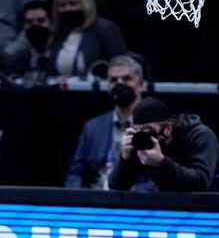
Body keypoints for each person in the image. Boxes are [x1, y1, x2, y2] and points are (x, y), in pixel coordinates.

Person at [110, 97, 219, 192]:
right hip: (181, 204)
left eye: (148, 130)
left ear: (168, 128)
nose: (144, 135)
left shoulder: (200, 135)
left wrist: (161, 162)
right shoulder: (142, 142)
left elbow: (200, 183)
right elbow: (116, 187)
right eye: (137, 130)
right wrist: (125, 158)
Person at [65, 55, 156, 191]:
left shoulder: (154, 125)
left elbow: (159, 180)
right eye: (113, 80)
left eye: (126, 79)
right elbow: (74, 175)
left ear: (141, 84)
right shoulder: (92, 127)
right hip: (95, 199)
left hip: (135, 201)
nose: (119, 84)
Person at [48, 0, 127, 78]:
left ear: (85, 4)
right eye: (62, 5)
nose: (67, 9)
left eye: (73, 4)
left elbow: (122, 67)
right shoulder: (59, 34)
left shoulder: (104, 29)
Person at [2, 0, 54, 81]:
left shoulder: (61, 57)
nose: (35, 25)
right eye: (30, 22)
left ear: (52, 24)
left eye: (40, 21)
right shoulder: (15, 61)